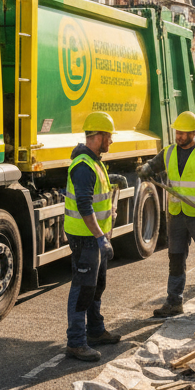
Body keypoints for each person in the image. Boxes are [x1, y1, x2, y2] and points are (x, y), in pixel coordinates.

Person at [137, 110, 195, 318]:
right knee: (175, 258)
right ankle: (174, 302)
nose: (179, 136)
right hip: (176, 214)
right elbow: (152, 165)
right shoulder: (168, 152)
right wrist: (146, 168)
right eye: (177, 132)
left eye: (183, 133)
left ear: (194, 133)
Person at [63, 111, 124, 362]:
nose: (111, 141)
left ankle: (96, 331)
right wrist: (101, 237)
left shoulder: (95, 162)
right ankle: (76, 342)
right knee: (82, 289)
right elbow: (85, 206)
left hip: (94, 237)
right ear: (98, 136)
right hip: (85, 238)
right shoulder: (83, 167)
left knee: (97, 286)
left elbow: (98, 195)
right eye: (109, 136)